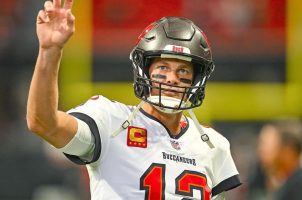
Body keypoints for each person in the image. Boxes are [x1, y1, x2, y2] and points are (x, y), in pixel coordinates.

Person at [26, 0, 241, 199]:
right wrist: (50, 50)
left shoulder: (213, 145)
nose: (172, 79)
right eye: (163, 67)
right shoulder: (110, 121)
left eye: (183, 70)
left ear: (195, 80)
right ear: (145, 71)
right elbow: (44, 123)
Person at [247, 118, 302, 200]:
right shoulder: (259, 178)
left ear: (288, 149)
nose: (260, 150)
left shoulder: (297, 185)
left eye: (265, 144)